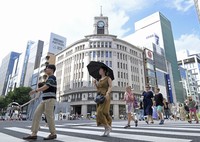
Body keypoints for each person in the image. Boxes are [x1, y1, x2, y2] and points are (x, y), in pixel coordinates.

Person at [23, 64, 57, 140]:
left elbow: (47, 86)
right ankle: (34, 133)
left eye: (47, 68)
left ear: (51, 69)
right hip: (44, 100)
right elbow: (45, 87)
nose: (45, 70)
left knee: (49, 117)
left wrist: (35, 90)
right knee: (36, 114)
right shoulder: (48, 78)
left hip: (50, 99)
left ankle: (53, 133)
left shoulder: (52, 77)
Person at [93, 66, 112, 137]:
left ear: (104, 70)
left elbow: (110, 86)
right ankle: (106, 130)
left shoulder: (108, 78)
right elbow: (98, 90)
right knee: (104, 114)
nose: (99, 71)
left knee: (100, 112)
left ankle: (108, 127)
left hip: (105, 96)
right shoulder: (100, 80)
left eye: (100, 69)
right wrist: (95, 84)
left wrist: (107, 93)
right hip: (99, 97)